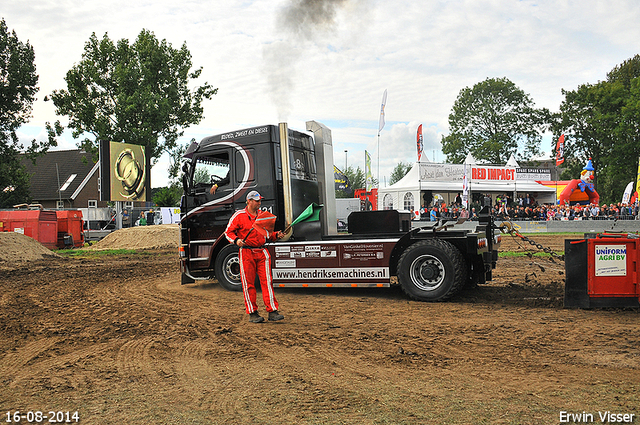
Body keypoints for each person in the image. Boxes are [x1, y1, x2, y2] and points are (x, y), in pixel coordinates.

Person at [224, 190, 284, 323]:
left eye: (260, 200)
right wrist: (236, 241)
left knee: (267, 281)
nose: (259, 203)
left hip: (262, 252)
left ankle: (272, 311)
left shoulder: (263, 216)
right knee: (248, 284)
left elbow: (267, 234)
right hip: (246, 253)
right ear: (249, 201)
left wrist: (276, 235)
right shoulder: (239, 216)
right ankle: (252, 312)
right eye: (257, 201)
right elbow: (228, 232)